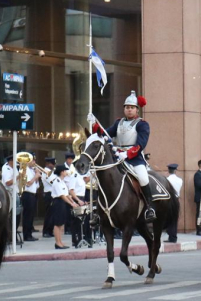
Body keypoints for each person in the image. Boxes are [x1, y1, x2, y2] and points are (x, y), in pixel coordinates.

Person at [89, 90, 156, 222]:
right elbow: (105, 135)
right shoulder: (118, 123)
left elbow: (140, 144)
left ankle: (149, 207)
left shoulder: (142, 124)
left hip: (135, 158)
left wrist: (127, 154)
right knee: (101, 178)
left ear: (137, 110)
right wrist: (94, 124)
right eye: (127, 107)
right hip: (116, 156)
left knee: (143, 177)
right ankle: (98, 211)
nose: (129, 110)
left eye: (132, 108)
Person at [48, 165, 73, 250]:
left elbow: (66, 194)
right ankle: (57, 243)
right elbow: (62, 195)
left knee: (61, 223)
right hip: (57, 202)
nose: (66, 172)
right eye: (65, 171)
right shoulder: (57, 181)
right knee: (57, 223)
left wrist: (73, 202)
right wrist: (71, 203)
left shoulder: (62, 181)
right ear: (62, 172)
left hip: (62, 203)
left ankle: (60, 241)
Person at [20, 156, 41, 241]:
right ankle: (26, 235)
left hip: (33, 194)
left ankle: (29, 233)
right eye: (33, 160)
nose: (34, 162)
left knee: (31, 215)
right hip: (27, 194)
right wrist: (36, 176)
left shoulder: (31, 170)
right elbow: (28, 183)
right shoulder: (24, 170)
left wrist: (37, 175)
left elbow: (36, 185)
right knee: (27, 216)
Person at [165, 163, 182, 243]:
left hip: (169, 200)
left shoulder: (167, 179)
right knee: (174, 219)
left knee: (169, 218)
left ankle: (171, 236)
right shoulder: (180, 180)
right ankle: (173, 236)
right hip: (177, 199)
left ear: (168, 170)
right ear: (175, 171)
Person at [41, 156, 58, 238]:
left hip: (52, 194)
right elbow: (52, 182)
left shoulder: (51, 171)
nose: (53, 165)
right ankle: (46, 231)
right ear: (48, 164)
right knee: (49, 214)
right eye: (52, 164)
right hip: (48, 194)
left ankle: (50, 230)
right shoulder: (46, 171)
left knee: (52, 214)